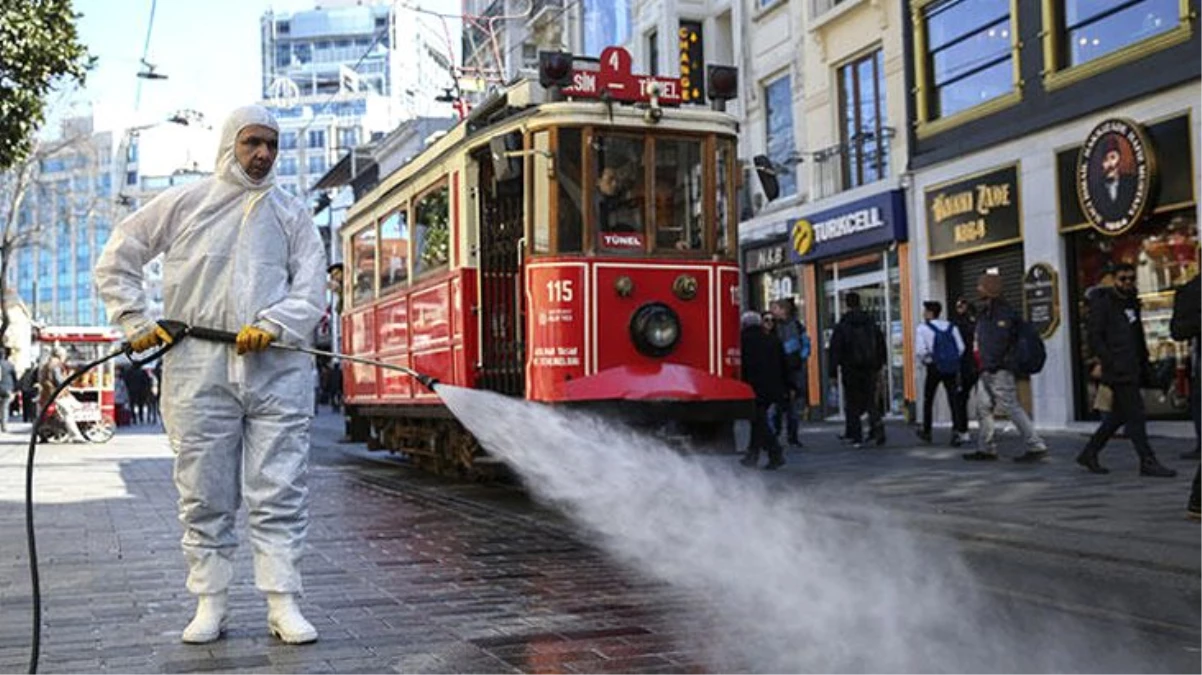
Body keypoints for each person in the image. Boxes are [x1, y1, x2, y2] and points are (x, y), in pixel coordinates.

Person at [95, 105, 327, 645]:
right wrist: (134, 319)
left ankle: (282, 602)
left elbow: (312, 289)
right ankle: (211, 603)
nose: (262, 153)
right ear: (230, 144)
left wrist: (274, 323)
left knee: (280, 489)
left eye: (271, 144)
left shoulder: (291, 214)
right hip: (198, 367)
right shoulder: (185, 204)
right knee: (204, 491)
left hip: (278, 368)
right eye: (252, 142)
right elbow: (119, 256)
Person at [1075, 263, 1176, 478]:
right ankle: (1147, 460)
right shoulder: (1104, 303)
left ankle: (1089, 452)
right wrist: (1109, 361)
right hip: (1118, 368)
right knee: (1136, 415)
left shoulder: (1132, 302)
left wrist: (1145, 362)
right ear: (1114, 280)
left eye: (1131, 278)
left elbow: (1137, 336)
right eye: (1123, 279)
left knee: (1119, 416)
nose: (1128, 282)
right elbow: (1095, 336)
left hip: (1134, 365)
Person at [964, 272, 1048, 462]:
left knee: (1010, 406)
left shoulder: (1002, 312)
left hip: (998, 369)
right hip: (986, 368)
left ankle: (1036, 445)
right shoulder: (986, 311)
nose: (977, 289)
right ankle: (986, 447)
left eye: (981, 286)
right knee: (982, 407)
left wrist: (992, 364)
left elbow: (999, 341)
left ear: (989, 289)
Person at [828, 292, 886, 447]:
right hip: (870, 368)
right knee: (870, 400)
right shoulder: (870, 322)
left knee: (852, 402)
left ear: (847, 304)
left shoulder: (844, 324)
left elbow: (835, 349)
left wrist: (832, 372)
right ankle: (877, 427)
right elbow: (880, 343)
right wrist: (880, 364)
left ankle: (856, 436)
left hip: (850, 368)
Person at [739, 311, 787, 470]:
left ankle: (775, 452)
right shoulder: (772, 340)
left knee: (759, 421)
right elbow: (783, 365)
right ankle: (752, 455)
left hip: (752, 387)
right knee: (758, 421)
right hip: (772, 387)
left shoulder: (742, 342)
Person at [915, 301, 965, 446]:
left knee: (928, 399)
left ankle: (927, 430)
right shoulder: (951, 326)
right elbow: (961, 348)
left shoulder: (923, 328)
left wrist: (927, 360)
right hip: (950, 367)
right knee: (953, 399)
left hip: (934, 367)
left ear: (930, 313)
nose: (924, 313)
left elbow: (920, 351)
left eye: (925, 311)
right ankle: (956, 431)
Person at [770, 298, 809, 448]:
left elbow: (805, 343)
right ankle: (776, 433)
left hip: (792, 369)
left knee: (792, 405)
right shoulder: (774, 326)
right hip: (781, 369)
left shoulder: (796, 326)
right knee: (778, 405)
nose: (773, 311)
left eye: (776, 308)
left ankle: (791, 436)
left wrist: (800, 357)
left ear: (783, 310)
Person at [949, 297, 977, 446]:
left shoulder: (955, 325)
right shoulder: (976, 323)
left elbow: (958, 348)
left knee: (960, 399)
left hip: (964, 365)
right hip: (978, 364)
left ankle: (961, 430)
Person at [0, 348, 17, 433]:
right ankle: (4, 426)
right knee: (5, 408)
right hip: (7, 388)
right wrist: (15, 389)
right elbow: (14, 377)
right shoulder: (9, 365)